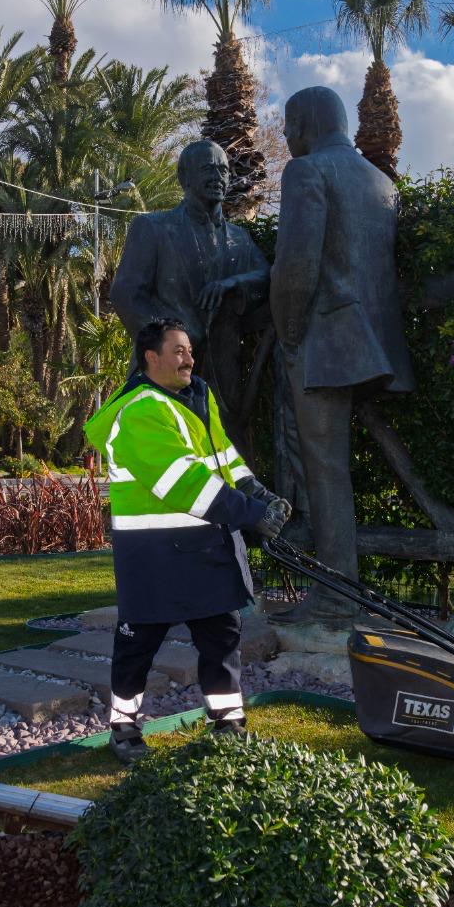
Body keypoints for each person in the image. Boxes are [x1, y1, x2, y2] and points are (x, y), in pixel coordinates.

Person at [82, 318, 291, 764]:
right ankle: (123, 730)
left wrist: (255, 491)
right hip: (154, 557)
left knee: (222, 637)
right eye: (177, 351)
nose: (188, 358)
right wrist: (251, 514)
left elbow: (222, 455)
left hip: (204, 548)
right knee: (137, 646)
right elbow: (183, 482)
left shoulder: (196, 397)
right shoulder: (139, 411)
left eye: (190, 350)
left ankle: (229, 724)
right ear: (150, 358)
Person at [270, 85, 415, 624]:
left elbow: (297, 267)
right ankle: (342, 587)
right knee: (338, 468)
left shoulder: (307, 172)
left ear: (307, 120)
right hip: (378, 345)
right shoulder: (382, 182)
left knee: (325, 468)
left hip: (325, 343)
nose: (285, 137)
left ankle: (336, 595)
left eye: (287, 125)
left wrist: (288, 335)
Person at [110, 139, 270, 448]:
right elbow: (127, 294)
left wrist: (232, 284)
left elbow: (265, 277)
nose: (218, 176)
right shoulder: (153, 228)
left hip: (223, 380)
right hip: (164, 377)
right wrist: (172, 341)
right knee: (167, 467)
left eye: (223, 170)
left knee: (227, 469)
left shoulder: (239, 239)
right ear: (184, 178)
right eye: (208, 168)